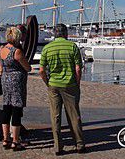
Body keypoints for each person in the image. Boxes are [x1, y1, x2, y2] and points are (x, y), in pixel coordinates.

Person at [39, 24, 86, 155]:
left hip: (53, 85)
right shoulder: (72, 47)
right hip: (70, 85)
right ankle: (79, 144)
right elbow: (78, 69)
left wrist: (47, 82)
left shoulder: (47, 48)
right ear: (66, 34)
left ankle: (58, 147)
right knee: (74, 115)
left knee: (55, 116)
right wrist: (77, 83)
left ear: (55, 34)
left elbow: (41, 70)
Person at [0, 27, 31, 151]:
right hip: (17, 82)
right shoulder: (17, 51)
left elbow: (0, 69)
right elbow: (27, 68)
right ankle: (15, 142)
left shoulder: (2, 50)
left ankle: (5, 139)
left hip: (5, 81)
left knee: (6, 109)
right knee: (16, 110)